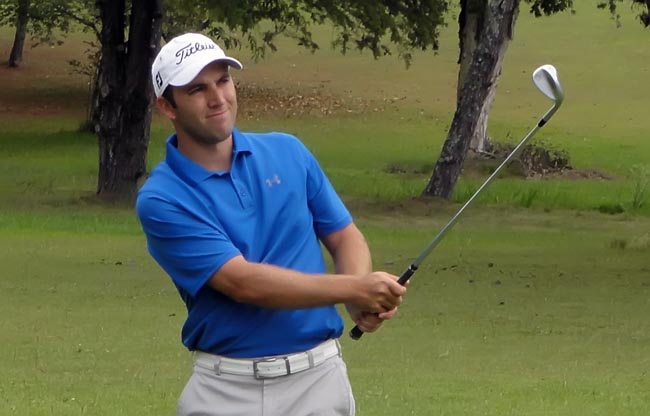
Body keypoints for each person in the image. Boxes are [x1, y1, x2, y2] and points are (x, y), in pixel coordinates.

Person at [136, 32, 406, 416]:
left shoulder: (287, 151)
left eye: (223, 81)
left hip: (318, 381)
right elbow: (242, 283)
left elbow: (344, 235)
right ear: (167, 106)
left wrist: (356, 298)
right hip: (225, 390)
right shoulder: (162, 197)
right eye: (198, 89)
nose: (217, 99)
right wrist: (355, 287)